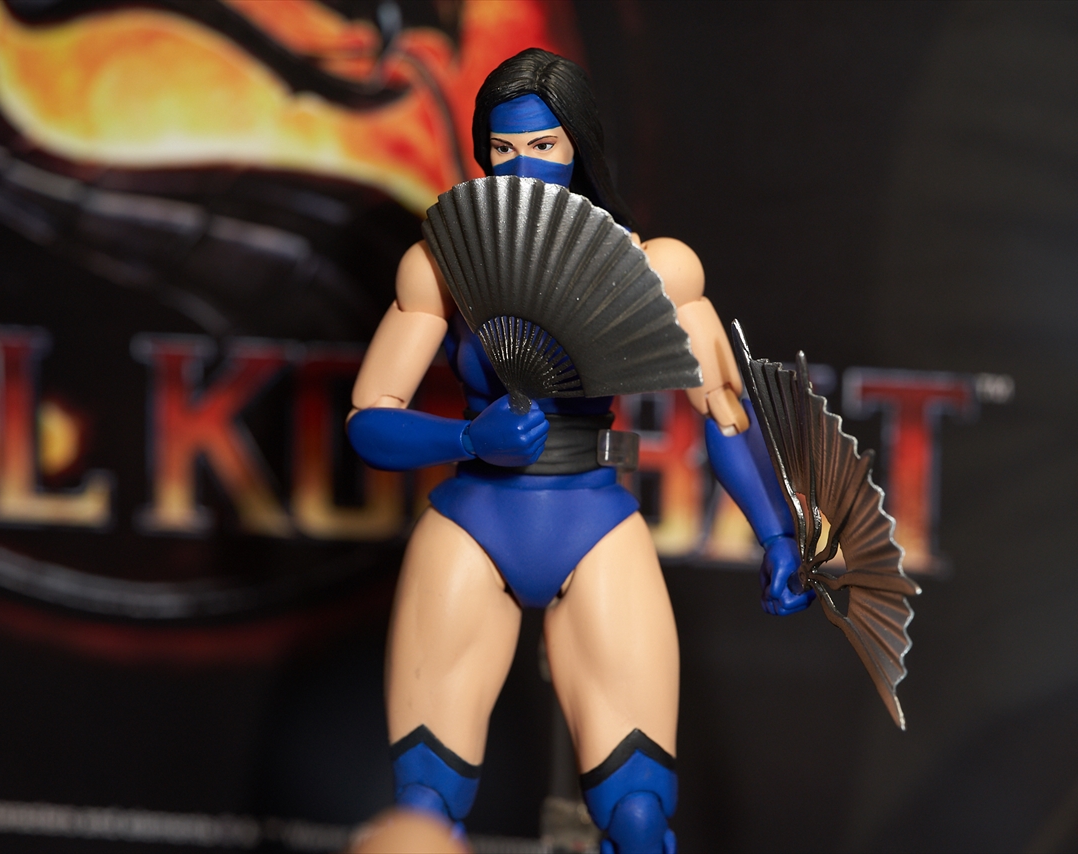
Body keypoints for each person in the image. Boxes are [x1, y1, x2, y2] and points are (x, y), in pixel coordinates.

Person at [347, 48, 812, 854]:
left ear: (579, 148)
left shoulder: (651, 269)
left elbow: (726, 414)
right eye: (503, 149)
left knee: (638, 819)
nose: (522, 167)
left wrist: (775, 532)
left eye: (544, 146)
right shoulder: (442, 266)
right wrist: (467, 436)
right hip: (473, 522)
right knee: (424, 807)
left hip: (591, 520)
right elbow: (368, 419)